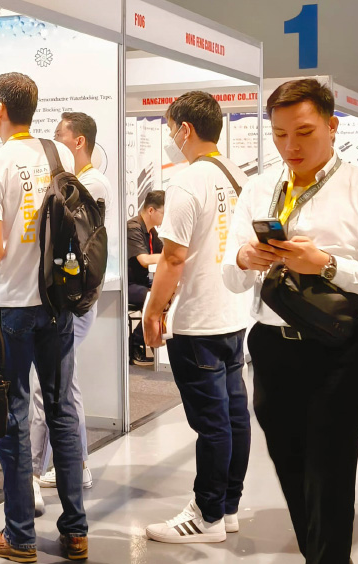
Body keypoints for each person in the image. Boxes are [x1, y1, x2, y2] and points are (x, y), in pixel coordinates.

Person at [223, 78, 358, 564]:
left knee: (330, 473)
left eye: (304, 132)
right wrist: (245, 257)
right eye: (280, 134)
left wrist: (325, 265)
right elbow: (230, 276)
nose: (291, 146)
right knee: (290, 464)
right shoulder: (259, 187)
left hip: (338, 349)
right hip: (270, 345)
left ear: (332, 125)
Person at [0, 73, 88, 563]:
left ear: (1, 108)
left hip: (13, 306)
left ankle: (19, 536)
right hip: (58, 301)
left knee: (15, 415)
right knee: (61, 410)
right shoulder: (59, 154)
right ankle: (76, 532)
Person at [142, 92, 250, 545]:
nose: (171, 137)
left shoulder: (188, 183)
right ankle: (227, 507)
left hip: (199, 320)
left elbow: (173, 259)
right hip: (233, 314)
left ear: (185, 129)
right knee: (234, 414)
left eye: (171, 129)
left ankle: (207, 515)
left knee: (212, 423)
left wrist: (153, 311)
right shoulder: (238, 175)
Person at [31, 112, 112, 511]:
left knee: (50, 388)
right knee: (65, 385)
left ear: (78, 141)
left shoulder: (88, 183)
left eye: (59, 134)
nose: (54, 140)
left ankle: (46, 470)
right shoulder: (86, 181)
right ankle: (76, 466)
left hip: (73, 299)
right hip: (73, 298)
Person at [126, 190, 164, 366]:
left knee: (167, 293)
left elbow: (164, 251)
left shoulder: (151, 232)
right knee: (154, 298)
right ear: (151, 210)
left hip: (140, 282)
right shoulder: (133, 228)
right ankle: (134, 344)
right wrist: (172, 257)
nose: (165, 218)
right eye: (163, 213)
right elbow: (144, 260)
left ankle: (146, 342)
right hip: (127, 285)